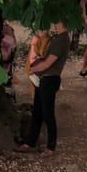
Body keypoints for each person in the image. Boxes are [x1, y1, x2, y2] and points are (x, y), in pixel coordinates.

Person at [15, 20, 69, 155]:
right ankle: (30, 143)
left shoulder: (61, 40)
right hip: (43, 79)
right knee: (37, 113)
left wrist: (33, 69)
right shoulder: (57, 38)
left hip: (50, 79)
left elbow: (48, 63)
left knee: (47, 114)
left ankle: (51, 147)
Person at [25, 29, 50, 99]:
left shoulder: (45, 39)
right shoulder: (38, 39)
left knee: (38, 86)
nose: (43, 31)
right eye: (41, 30)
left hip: (37, 65)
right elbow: (41, 53)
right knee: (37, 86)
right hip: (34, 65)